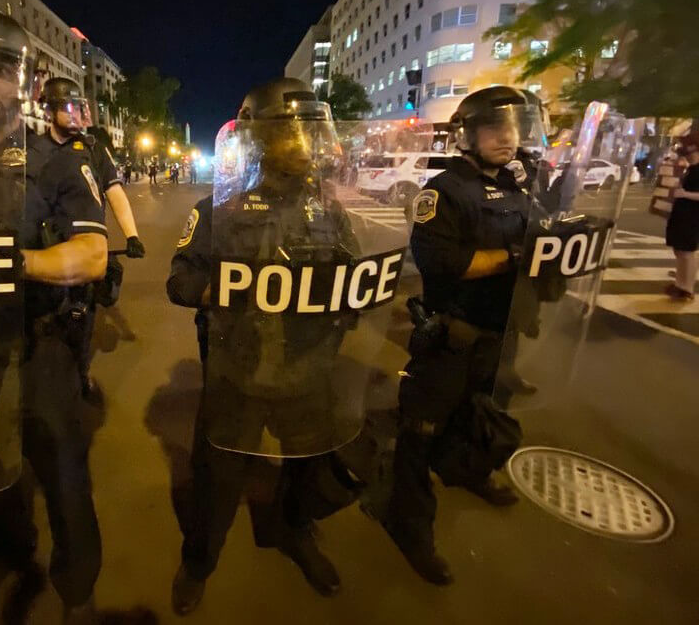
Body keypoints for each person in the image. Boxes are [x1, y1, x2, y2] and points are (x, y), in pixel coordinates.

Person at [0, 10, 109, 623]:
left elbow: (92, 252)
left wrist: (16, 264)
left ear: (22, 85)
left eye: (0, 67)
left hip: (38, 346)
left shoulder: (55, 164)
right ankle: (5, 555)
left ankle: (76, 589)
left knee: (62, 477)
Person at [167, 78, 360, 616]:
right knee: (217, 483)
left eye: (308, 132)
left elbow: (355, 279)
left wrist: (357, 294)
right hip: (239, 373)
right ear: (257, 140)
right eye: (287, 133)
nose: (303, 145)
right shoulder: (219, 211)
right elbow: (179, 281)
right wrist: (223, 291)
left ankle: (295, 533)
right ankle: (199, 561)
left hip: (307, 369)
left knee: (307, 468)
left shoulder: (328, 212)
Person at [384, 86, 543, 585]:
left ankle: (468, 470)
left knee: (481, 409)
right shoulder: (443, 192)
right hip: (452, 333)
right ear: (468, 135)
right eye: (495, 128)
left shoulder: (518, 188)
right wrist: (514, 258)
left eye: (514, 127)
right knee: (421, 429)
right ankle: (410, 525)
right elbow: (443, 264)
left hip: (500, 329)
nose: (508, 138)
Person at [32, 77, 146, 400]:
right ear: (50, 110)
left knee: (83, 317)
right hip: (45, 248)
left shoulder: (94, 149)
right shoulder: (35, 151)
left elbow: (115, 193)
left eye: (79, 106)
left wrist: (132, 234)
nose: (78, 113)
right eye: (68, 106)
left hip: (83, 250)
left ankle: (81, 372)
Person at [665, 131, 699, 301]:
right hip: (681, 214)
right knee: (680, 251)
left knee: (687, 252)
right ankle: (680, 284)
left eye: (690, 152)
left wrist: (684, 194)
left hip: (692, 216)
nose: (687, 156)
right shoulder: (690, 169)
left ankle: (687, 287)